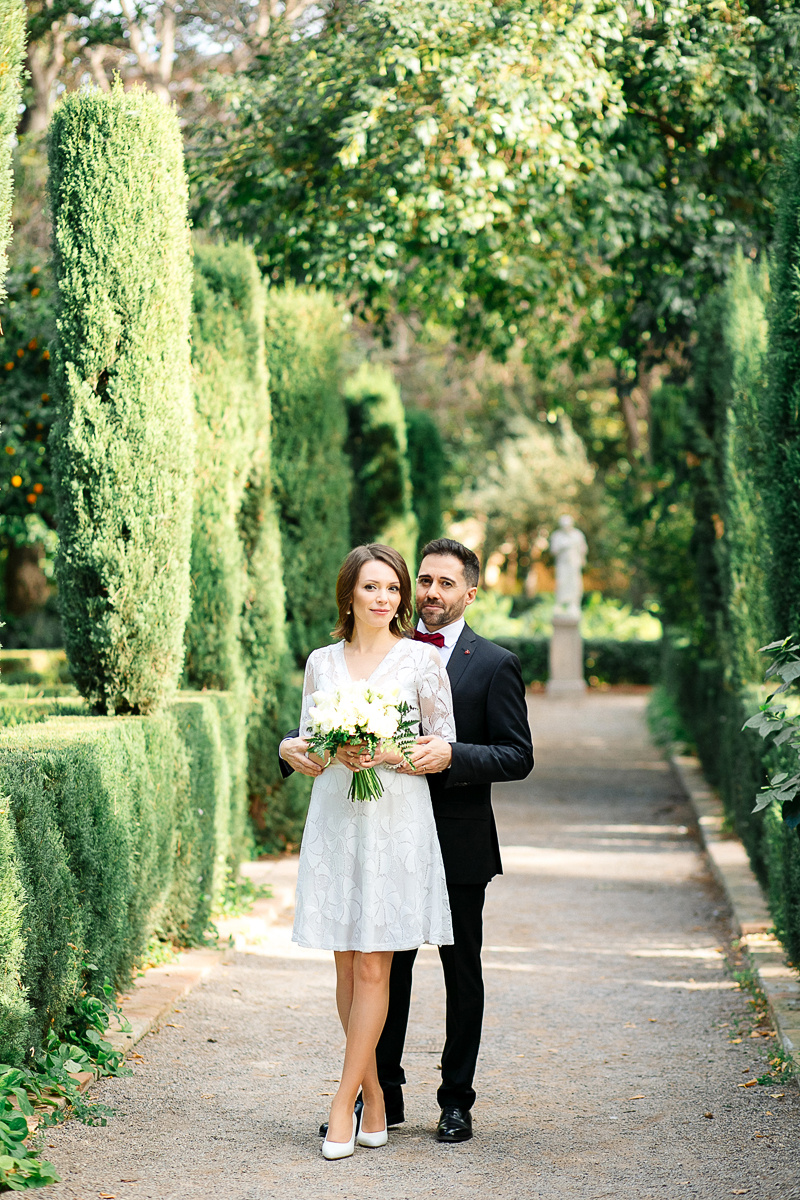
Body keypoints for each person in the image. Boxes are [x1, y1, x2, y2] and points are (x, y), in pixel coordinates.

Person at [281, 538, 534, 1144]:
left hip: (451, 836)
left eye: (445, 583)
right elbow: (316, 730)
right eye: (422, 581)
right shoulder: (341, 656)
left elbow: (516, 754)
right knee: (378, 968)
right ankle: (381, 1098)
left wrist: (449, 755)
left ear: (469, 593)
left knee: (459, 973)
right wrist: (293, 747)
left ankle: (455, 1101)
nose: (429, 593)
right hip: (361, 823)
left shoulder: (492, 663)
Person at [290, 543, 456, 1161]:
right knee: (343, 966)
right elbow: (309, 744)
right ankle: (377, 1097)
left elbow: (443, 747)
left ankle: (344, 1104)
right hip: (337, 816)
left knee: (371, 968)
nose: (383, 598)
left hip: (395, 821)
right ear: (350, 595)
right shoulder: (321, 662)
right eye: (371, 587)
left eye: (392, 588)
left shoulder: (421, 660)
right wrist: (319, 749)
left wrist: (386, 751)